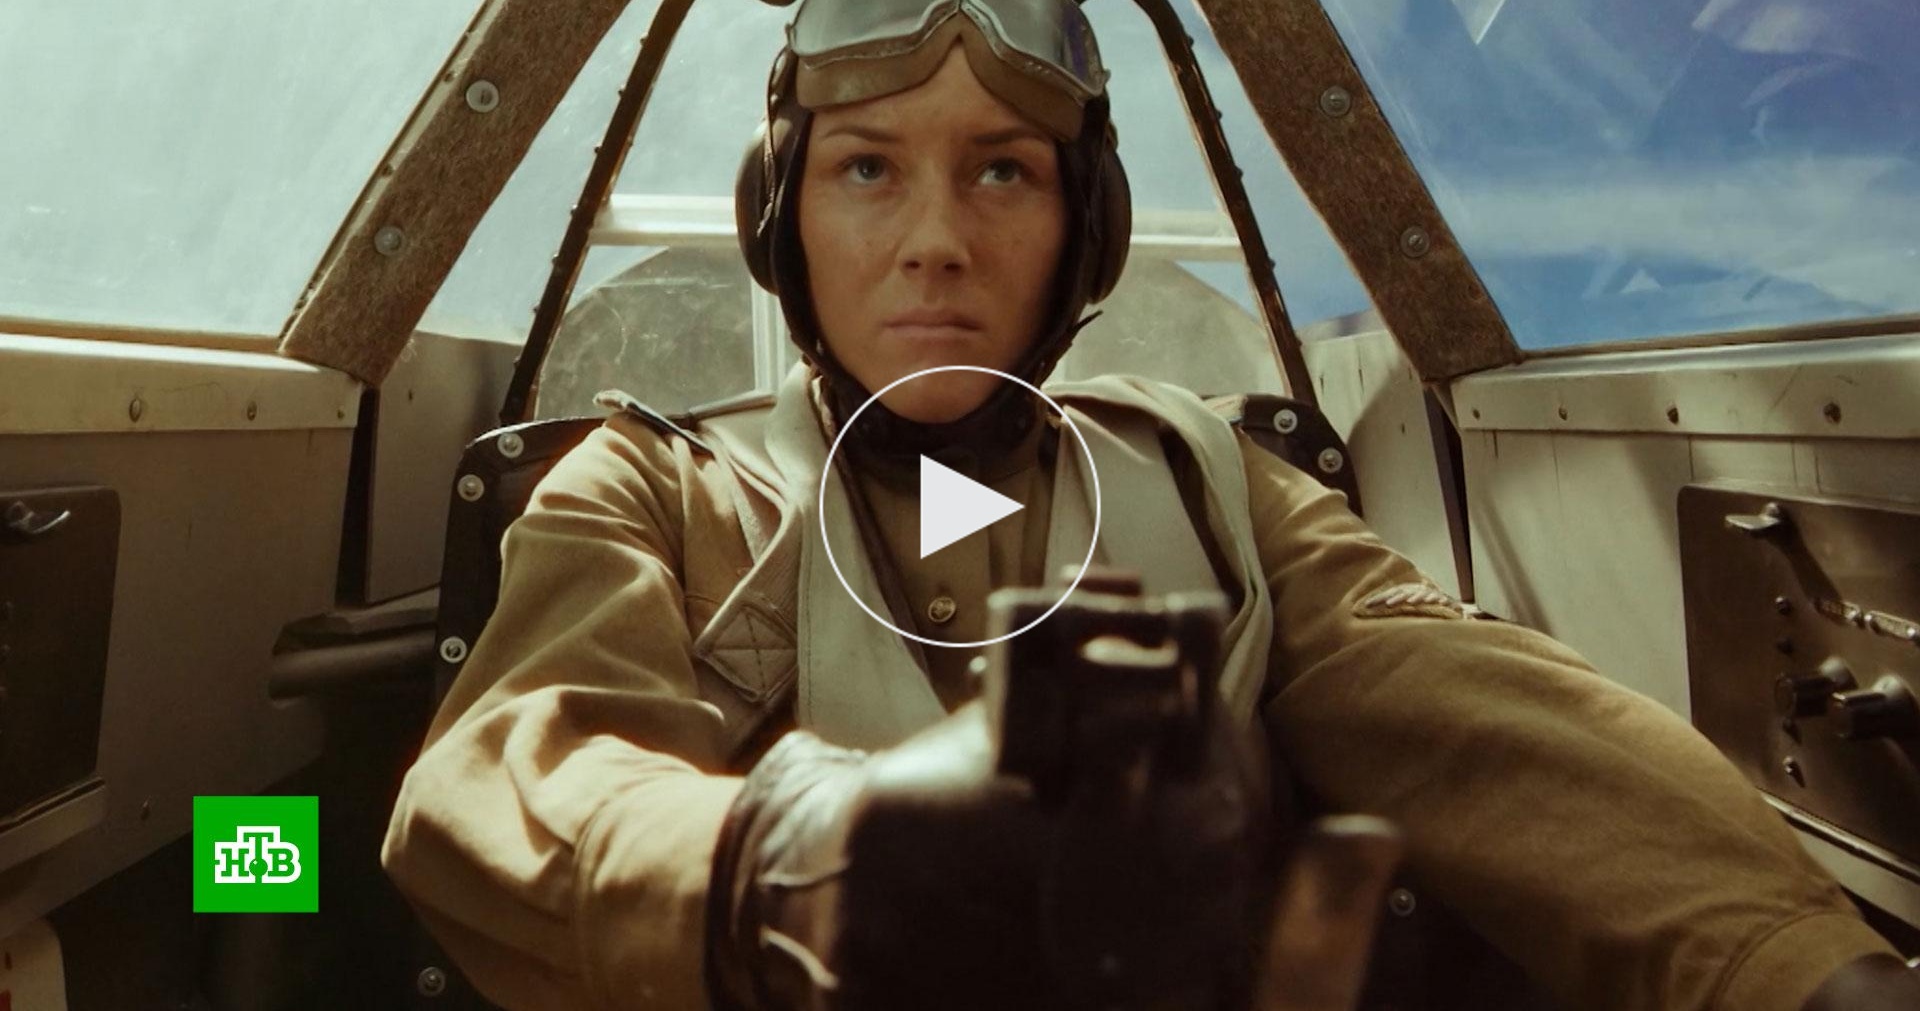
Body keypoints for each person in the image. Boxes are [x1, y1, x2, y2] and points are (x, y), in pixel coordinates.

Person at [381, 1, 1920, 1008]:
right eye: (866, 170)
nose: (934, 239)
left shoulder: (1209, 482)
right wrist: (796, 864)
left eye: (1002, 171)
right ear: (780, 221)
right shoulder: (654, 489)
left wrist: (1804, 972)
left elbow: (1512, 736)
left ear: (1088, 228)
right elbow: (498, 786)